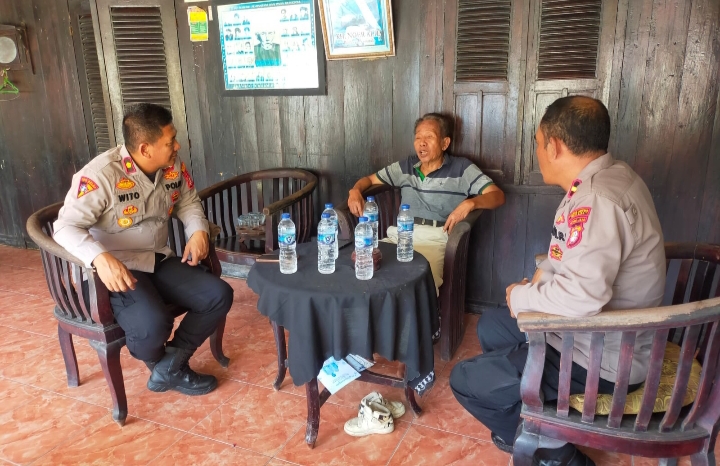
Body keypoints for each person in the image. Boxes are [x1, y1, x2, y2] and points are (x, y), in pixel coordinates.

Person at [449, 96, 666, 466]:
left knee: (466, 381)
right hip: (593, 333)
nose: (538, 151)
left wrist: (523, 297)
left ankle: (554, 451)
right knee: (492, 326)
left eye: (537, 142)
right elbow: (567, 254)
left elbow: (582, 297)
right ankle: (535, 413)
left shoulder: (597, 200)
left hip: (604, 356)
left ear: (554, 146)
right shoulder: (606, 177)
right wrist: (536, 285)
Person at [53, 103, 234, 397]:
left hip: (157, 258)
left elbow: (188, 201)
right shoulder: (100, 176)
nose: (177, 146)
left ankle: (169, 367)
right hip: (116, 270)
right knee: (152, 326)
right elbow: (64, 227)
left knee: (218, 294)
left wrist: (197, 230)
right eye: (169, 142)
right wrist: (99, 257)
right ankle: (166, 365)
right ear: (145, 149)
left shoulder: (173, 165)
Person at [348, 113, 505, 295]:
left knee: (416, 286)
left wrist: (471, 203)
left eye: (429, 137)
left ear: (445, 143)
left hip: (436, 239)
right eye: (418, 138)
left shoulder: (462, 168)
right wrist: (355, 191)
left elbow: (498, 195)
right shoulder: (406, 166)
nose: (422, 143)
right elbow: (369, 180)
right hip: (399, 236)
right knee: (364, 268)